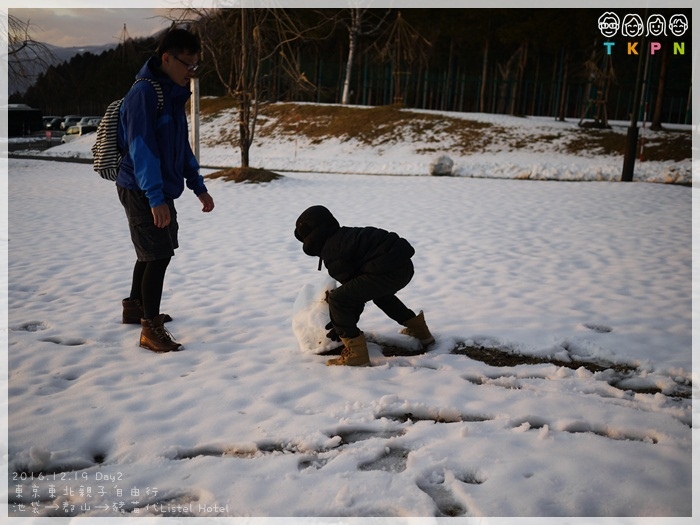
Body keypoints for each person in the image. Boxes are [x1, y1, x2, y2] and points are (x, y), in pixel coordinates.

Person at [116, 28, 215, 353]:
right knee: (158, 254)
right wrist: (155, 198)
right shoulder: (144, 94)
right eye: (188, 64)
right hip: (142, 188)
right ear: (167, 58)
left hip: (157, 189)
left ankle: (135, 306)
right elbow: (141, 149)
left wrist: (197, 186)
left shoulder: (171, 95)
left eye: (195, 66)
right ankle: (150, 328)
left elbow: (180, 148)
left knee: (152, 250)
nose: (191, 72)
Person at [294, 205, 434, 367]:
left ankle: (356, 354)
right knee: (381, 296)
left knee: (338, 299)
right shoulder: (344, 236)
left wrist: (342, 328)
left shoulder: (333, 250)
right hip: (403, 267)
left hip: (389, 270)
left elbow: (352, 299)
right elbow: (357, 289)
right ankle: (421, 331)